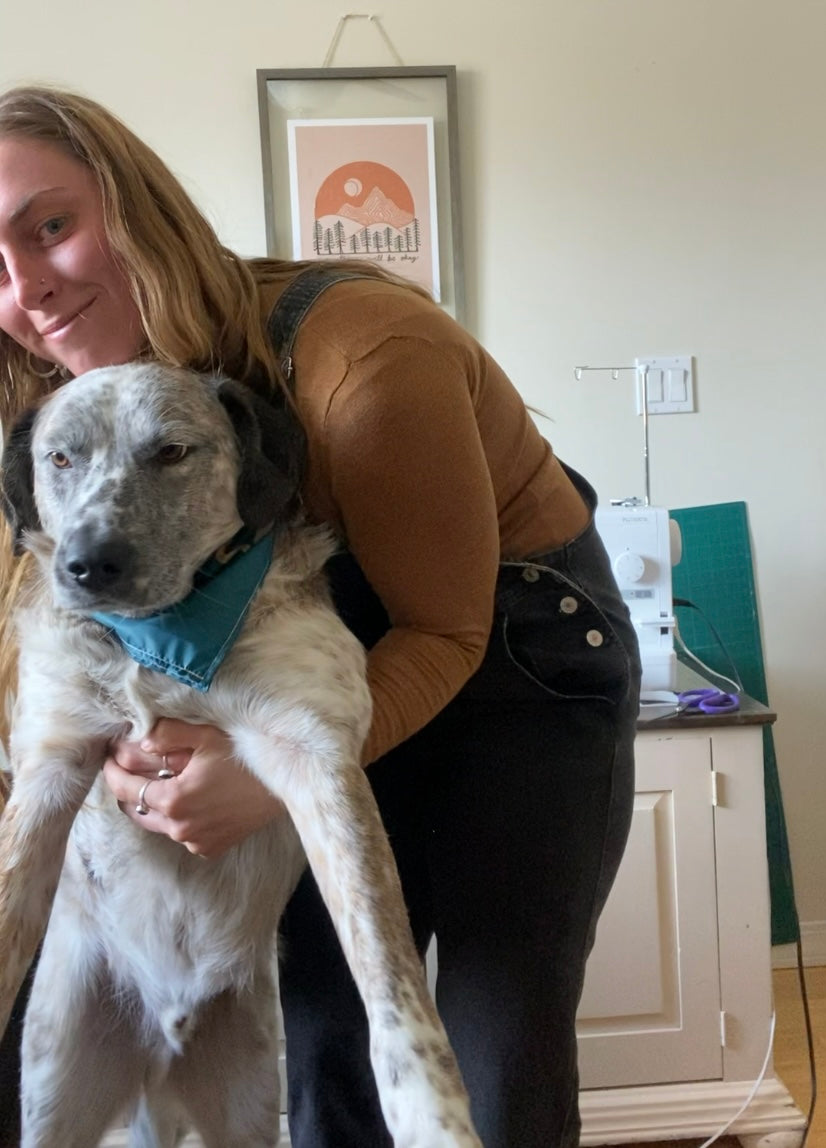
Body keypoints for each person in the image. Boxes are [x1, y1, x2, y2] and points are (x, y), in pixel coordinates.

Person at [0, 84, 641, 1148]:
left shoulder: (361, 358)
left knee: (491, 1034)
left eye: (50, 224)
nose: (24, 285)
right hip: (307, 652)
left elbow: (444, 630)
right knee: (321, 1040)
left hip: (507, 657)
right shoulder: (54, 397)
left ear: (134, 203)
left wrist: (264, 773)